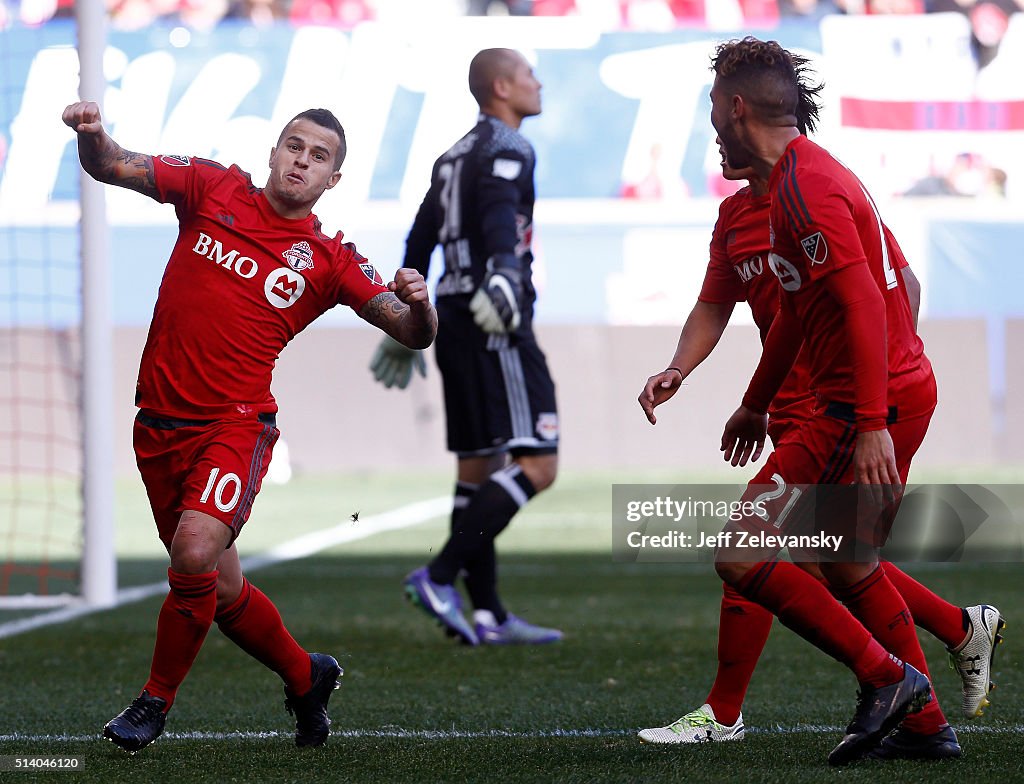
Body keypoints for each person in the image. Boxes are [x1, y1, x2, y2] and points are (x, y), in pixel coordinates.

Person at [62, 101, 437, 752]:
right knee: (221, 586)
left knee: (195, 552)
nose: (301, 160)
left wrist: (421, 307)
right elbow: (114, 166)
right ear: (273, 152)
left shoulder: (328, 259)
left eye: (319, 157)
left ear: (332, 182)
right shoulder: (212, 187)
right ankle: (306, 676)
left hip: (236, 426)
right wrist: (91, 137)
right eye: (294, 146)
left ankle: (154, 702)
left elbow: (409, 332)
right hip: (157, 422)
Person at [669, 36, 1000, 765]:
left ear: (733, 107)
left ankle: (888, 679)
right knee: (846, 561)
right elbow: (798, 310)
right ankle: (925, 724)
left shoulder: (806, 187)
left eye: (713, 106)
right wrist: (757, 402)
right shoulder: (794, 182)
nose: (711, 121)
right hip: (859, 398)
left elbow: (862, 303)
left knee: (744, 550)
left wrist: (875, 418)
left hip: (855, 406)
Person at [368, 48, 562, 646]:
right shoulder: (509, 146)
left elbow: (419, 237)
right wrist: (505, 275)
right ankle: (439, 575)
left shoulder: (450, 156)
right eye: (528, 74)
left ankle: (488, 614)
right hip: (492, 316)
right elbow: (501, 217)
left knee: (476, 470)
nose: (537, 82)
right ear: (502, 87)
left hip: (449, 316)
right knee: (539, 462)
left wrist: (403, 312)